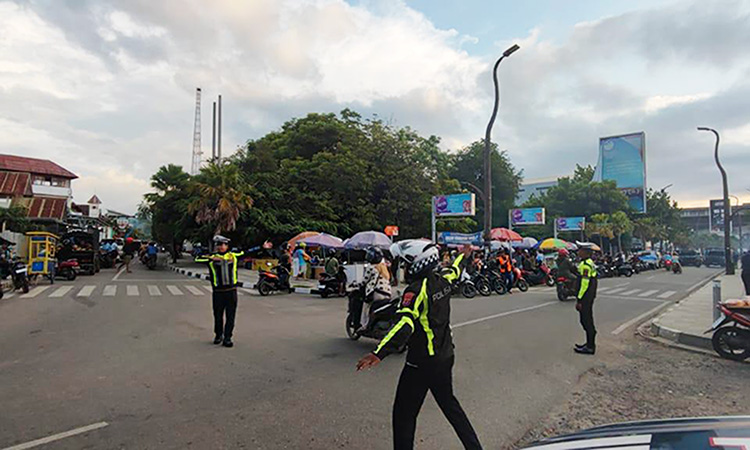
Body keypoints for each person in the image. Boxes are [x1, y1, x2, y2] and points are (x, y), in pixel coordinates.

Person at [357, 241, 482, 450]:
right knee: (451, 407)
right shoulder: (442, 279)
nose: (403, 267)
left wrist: (378, 353)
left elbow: (404, 324)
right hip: (444, 356)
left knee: (404, 415)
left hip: (422, 362)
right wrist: (464, 255)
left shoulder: (415, 291)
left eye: (405, 263)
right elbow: (455, 269)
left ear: (417, 263)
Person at [195, 235, 244, 348]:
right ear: (216, 246)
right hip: (218, 292)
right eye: (220, 244)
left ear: (227, 246)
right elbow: (197, 258)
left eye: (224, 244)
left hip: (231, 291)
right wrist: (210, 258)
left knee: (230, 316)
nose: (222, 247)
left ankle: (227, 338)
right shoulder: (212, 258)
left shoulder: (233, 256)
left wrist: (262, 247)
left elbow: (246, 252)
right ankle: (218, 335)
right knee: (218, 315)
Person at [355, 247, 392, 331]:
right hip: (387, 293)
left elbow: (364, 281)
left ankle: (364, 326)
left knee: (366, 307)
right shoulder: (384, 267)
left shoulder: (372, 267)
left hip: (376, 293)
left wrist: (356, 284)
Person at [574, 242, 598, 355]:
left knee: (586, 320)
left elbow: (584, 283)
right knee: (586, 319)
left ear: (585, 252)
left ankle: (590, 346)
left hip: (586, 297)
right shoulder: (589, 263)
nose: (578, 252)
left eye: (580, 250)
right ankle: (588, 343)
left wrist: (579, 299)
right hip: (589, 295)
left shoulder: (585, 265)